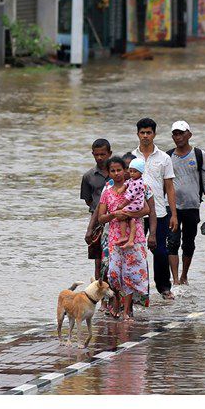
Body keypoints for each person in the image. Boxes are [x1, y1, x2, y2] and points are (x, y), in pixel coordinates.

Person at [98, 157, 151, 321]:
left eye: (119, 170)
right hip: (115, 237)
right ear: (108, 173)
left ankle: (127, 310)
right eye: (112, 171)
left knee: (131, 274)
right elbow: (101, 218)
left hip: (135, 237)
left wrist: (128, 214)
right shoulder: (107, 192)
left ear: (125, 170)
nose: (116, 173)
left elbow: (147, 210)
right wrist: (115, 214)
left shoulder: (136, 186)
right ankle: (116, 301)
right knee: (114, 274)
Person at [167, 120, 205, 285]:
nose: (178, 137)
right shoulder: (167, 157)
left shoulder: (199, 155)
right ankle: (175, 280)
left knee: (189, 243)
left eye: (181, 133)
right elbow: (163, 185)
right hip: (172, 208)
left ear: (189, 134)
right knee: (172, 242)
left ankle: (184, 276)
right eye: (175, 134)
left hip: (192, 206)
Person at [132, 118, 177, 300]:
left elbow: (170, 187)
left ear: (154, 134)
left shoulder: (164, 158)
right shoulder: (131, 157)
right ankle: (137, 291)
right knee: (134, 252)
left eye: (148, 132)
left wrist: (174, 214)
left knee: (160, 252)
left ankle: (164, 288)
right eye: (142, 132)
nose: (145, 136)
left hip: (159, 212)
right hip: (135, 213)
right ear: (137, 134)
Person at [81, 138, 112, 280]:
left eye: (103, 154)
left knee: (115, 256)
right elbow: (88, 200)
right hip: (97, 221)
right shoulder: (88, 176)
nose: (99, 158)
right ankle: (99, 287)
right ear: (92, 154)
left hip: (115, 218)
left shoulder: (117, 172)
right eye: (96, 154)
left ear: (109, 154)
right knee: (98, 259)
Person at [114, 158, 146, 250]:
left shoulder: (139, 183)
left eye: (135, 171)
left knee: (122, 213)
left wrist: (122, 205)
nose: (132, 173)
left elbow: (131, 197)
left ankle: (128, 238)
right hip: (133, 204)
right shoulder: (133, 180)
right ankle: (126, 238)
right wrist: (123, 187)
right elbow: (127, 182)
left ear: (141, 172)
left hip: (136, 204)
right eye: (130, 171)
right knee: (129, 218)